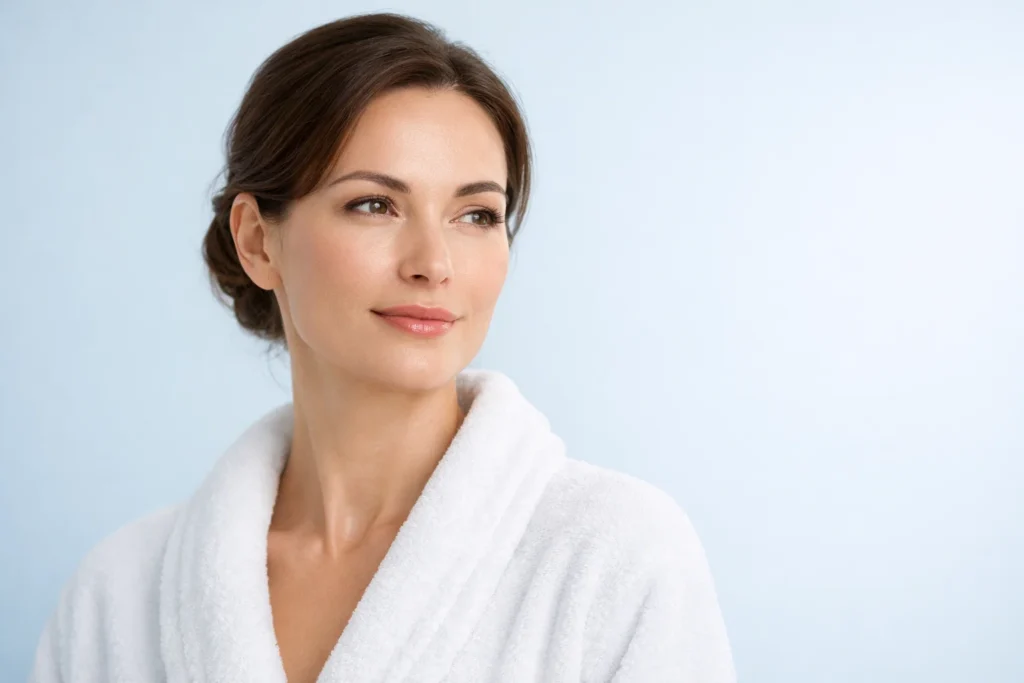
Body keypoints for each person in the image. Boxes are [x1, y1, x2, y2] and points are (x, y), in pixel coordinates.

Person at [29, 12, 734, 683]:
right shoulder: (117, 594)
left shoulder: (616, 559)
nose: (434, 261)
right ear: (256, 239)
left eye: (477, 214)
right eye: (374, 204)